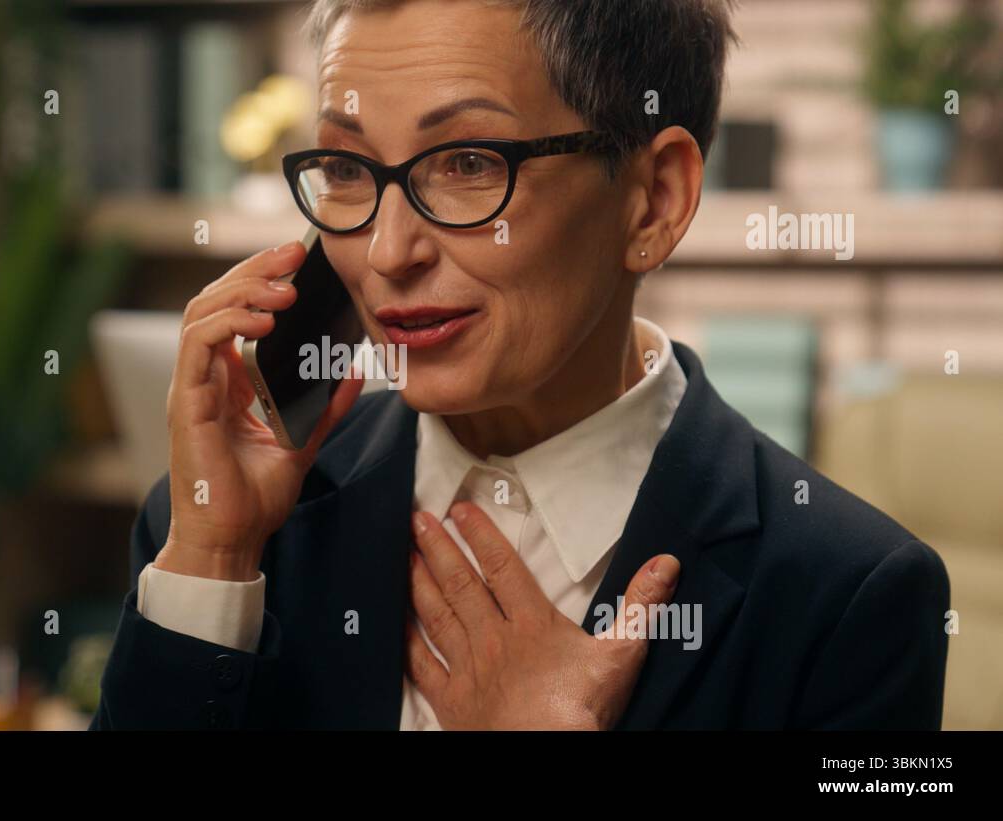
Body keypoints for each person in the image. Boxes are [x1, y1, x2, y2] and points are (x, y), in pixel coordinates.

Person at [90, 0, 949, 730]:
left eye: (468, 163)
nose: (388, 252)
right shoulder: (223, 531)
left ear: (654, 199)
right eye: (349, 168)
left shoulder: (849, 597)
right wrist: (212, 558)